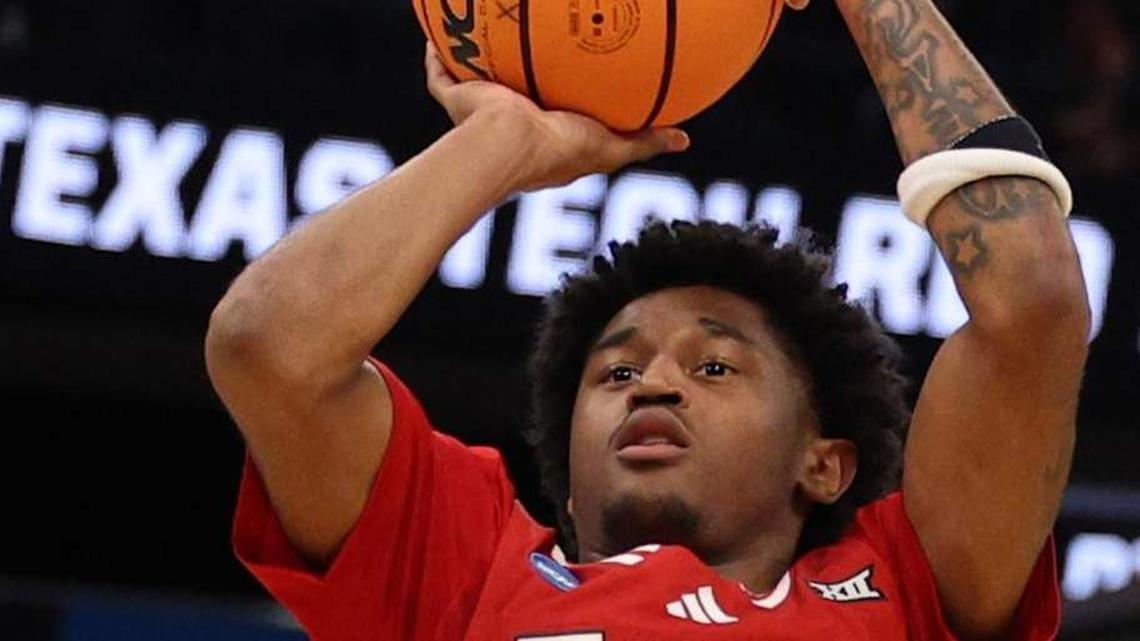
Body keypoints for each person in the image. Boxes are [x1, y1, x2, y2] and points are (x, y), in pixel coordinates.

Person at [205, 0, 1090, 639]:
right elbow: (268, 347)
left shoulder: (903, 585)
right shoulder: (466, 569)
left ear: (823, 462)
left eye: (715, 366)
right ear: (568, 480)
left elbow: (1034, 301)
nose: (653, 383)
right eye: (617, 372)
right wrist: (500, 142)